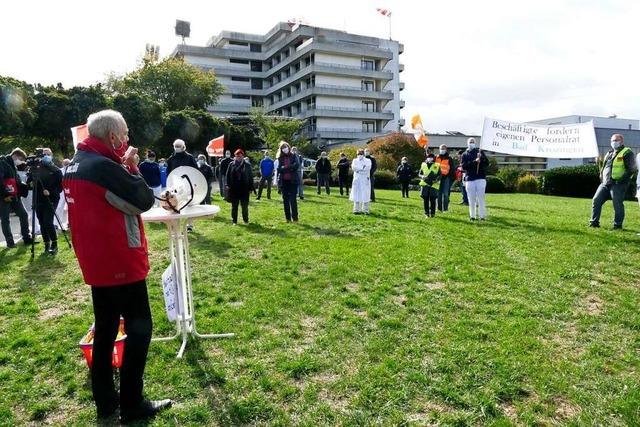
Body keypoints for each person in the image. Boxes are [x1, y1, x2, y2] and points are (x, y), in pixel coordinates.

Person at [63, 110, 171, 422]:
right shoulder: (103, 167)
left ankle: (106, 403)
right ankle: (132, 403)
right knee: (140, 329)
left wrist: (122, 165)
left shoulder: (76, 163)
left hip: (97, 263)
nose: (126, 140)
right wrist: (133, 167)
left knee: (107, 331)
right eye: (124, 135)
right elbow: (141, 199)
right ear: (113, 137)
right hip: (118, 261)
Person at [589, 134, 637, 229]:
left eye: (616, 140)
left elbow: (631, 169)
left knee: (617, 204)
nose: (613, 142)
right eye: (612, 140)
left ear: (621, 141)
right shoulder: (609, 153)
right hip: (605, 183)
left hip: (618, 184)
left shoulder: (627, 152)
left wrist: (621, 180)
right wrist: (600, 168)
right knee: (596, 200)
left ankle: (617, 225)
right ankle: (594, 223)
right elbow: (606, 166)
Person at [27, 148, 62, 254]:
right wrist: (31, 183)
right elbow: (29, 184)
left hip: (51, 198)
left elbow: (60, 187)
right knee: (42, 222)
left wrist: (50, 192)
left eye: (47, 154)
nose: (45, 157)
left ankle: (54, 244)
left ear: (51, 155)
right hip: (38, 198)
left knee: (48, 221)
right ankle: (46, 243)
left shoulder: (55, 170)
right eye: (43, 155)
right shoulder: (34, 169)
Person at [0, 148, 33, 248]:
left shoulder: (12, 165)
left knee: (23, 215)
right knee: (5, 219)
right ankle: (10, 242)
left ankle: (26, 237)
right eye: (21, 159)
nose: (21, 162)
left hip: (15, 195)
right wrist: (5, 195)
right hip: (4, 196)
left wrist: (26, 186)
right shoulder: (2, 162)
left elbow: (16, 181)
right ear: (16, 156)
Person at [461, 137, 489, 221]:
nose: (471, 143)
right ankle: (472, 216)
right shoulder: (464, 154)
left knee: (481, 198)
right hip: (470, 179)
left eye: (473, 142)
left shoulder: (479, 152)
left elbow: (487, 163)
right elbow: (464, 166)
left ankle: (482, 216)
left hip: (480, 178)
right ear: (467, 143)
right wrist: (475, 162)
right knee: (471, 198)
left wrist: (482, 159)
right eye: (470, 142)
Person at [225, 149, 253, 224]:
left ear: (243, 156)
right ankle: (234, 221)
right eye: (237, 156)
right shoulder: (231, 164)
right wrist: (227, 185)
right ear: (235, 156)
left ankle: (245, 220)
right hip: (234, 189)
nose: (239, 158)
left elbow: (250, 177)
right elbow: (227, 175)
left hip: (244, 189)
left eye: (240, 156)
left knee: (244, 206)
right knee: (234, 206)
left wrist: (251, 188)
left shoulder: (247, 165)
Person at [276, 141, 300, 222]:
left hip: (293, 182)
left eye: (285, 147)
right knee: (285, 201)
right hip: (284, 182)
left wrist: (285, 167)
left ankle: (295, 218)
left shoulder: (294, 156)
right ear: (281, 150)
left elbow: (296, 166)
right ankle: (288, 218)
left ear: (288, 147)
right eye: (282, 148)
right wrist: (289, 168)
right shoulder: (280, 158)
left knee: (293, 200)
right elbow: (279, 169)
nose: (284, 149)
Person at [419, 152, 441, 217]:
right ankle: (426, 213)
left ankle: (433, 213)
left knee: (433, 199)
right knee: (425, 199)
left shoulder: (437, 165)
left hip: (433, 184)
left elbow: (440, 175)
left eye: (431, 157)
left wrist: (437, 179)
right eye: (429, 157)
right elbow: (419, 173)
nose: (430, 158)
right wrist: (422, 176)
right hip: (425, 184)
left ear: (433, 158)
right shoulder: (423, 165)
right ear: (427, 158)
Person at [350, 149, 372, 214]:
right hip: (357, 179)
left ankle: (365, 210)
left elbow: (367, 168)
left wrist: (359, 170)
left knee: (365, 194)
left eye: (361, 154)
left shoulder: (368, 160)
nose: (359, 155)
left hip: (365, 179)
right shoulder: (355, 160)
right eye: (358, 154)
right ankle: (356, 209)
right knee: (356, 194)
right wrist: (361, 168)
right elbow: (354, 168)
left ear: (363, 154)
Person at [435, 144, 455, 212]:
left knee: (446, 194)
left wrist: (451, 178)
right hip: (438, 178)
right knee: (438, 194)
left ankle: (445, 209)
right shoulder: (436, 158)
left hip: (446, 178)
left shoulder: (449, 158)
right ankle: (439, 208)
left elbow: (452, 169)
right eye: (441, 148)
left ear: (446, 150)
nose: (442, 150)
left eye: (443, 149)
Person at [55, 158, 71, 230]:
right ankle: (56, 223)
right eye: (65, 164)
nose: (66, 165)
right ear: (63, 164)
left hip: (70, 190)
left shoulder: (72, 170)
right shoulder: (60, 171)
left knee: (70, 207)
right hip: (62, 191)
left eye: (68, 164)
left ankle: (69, 222)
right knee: (59, 207)